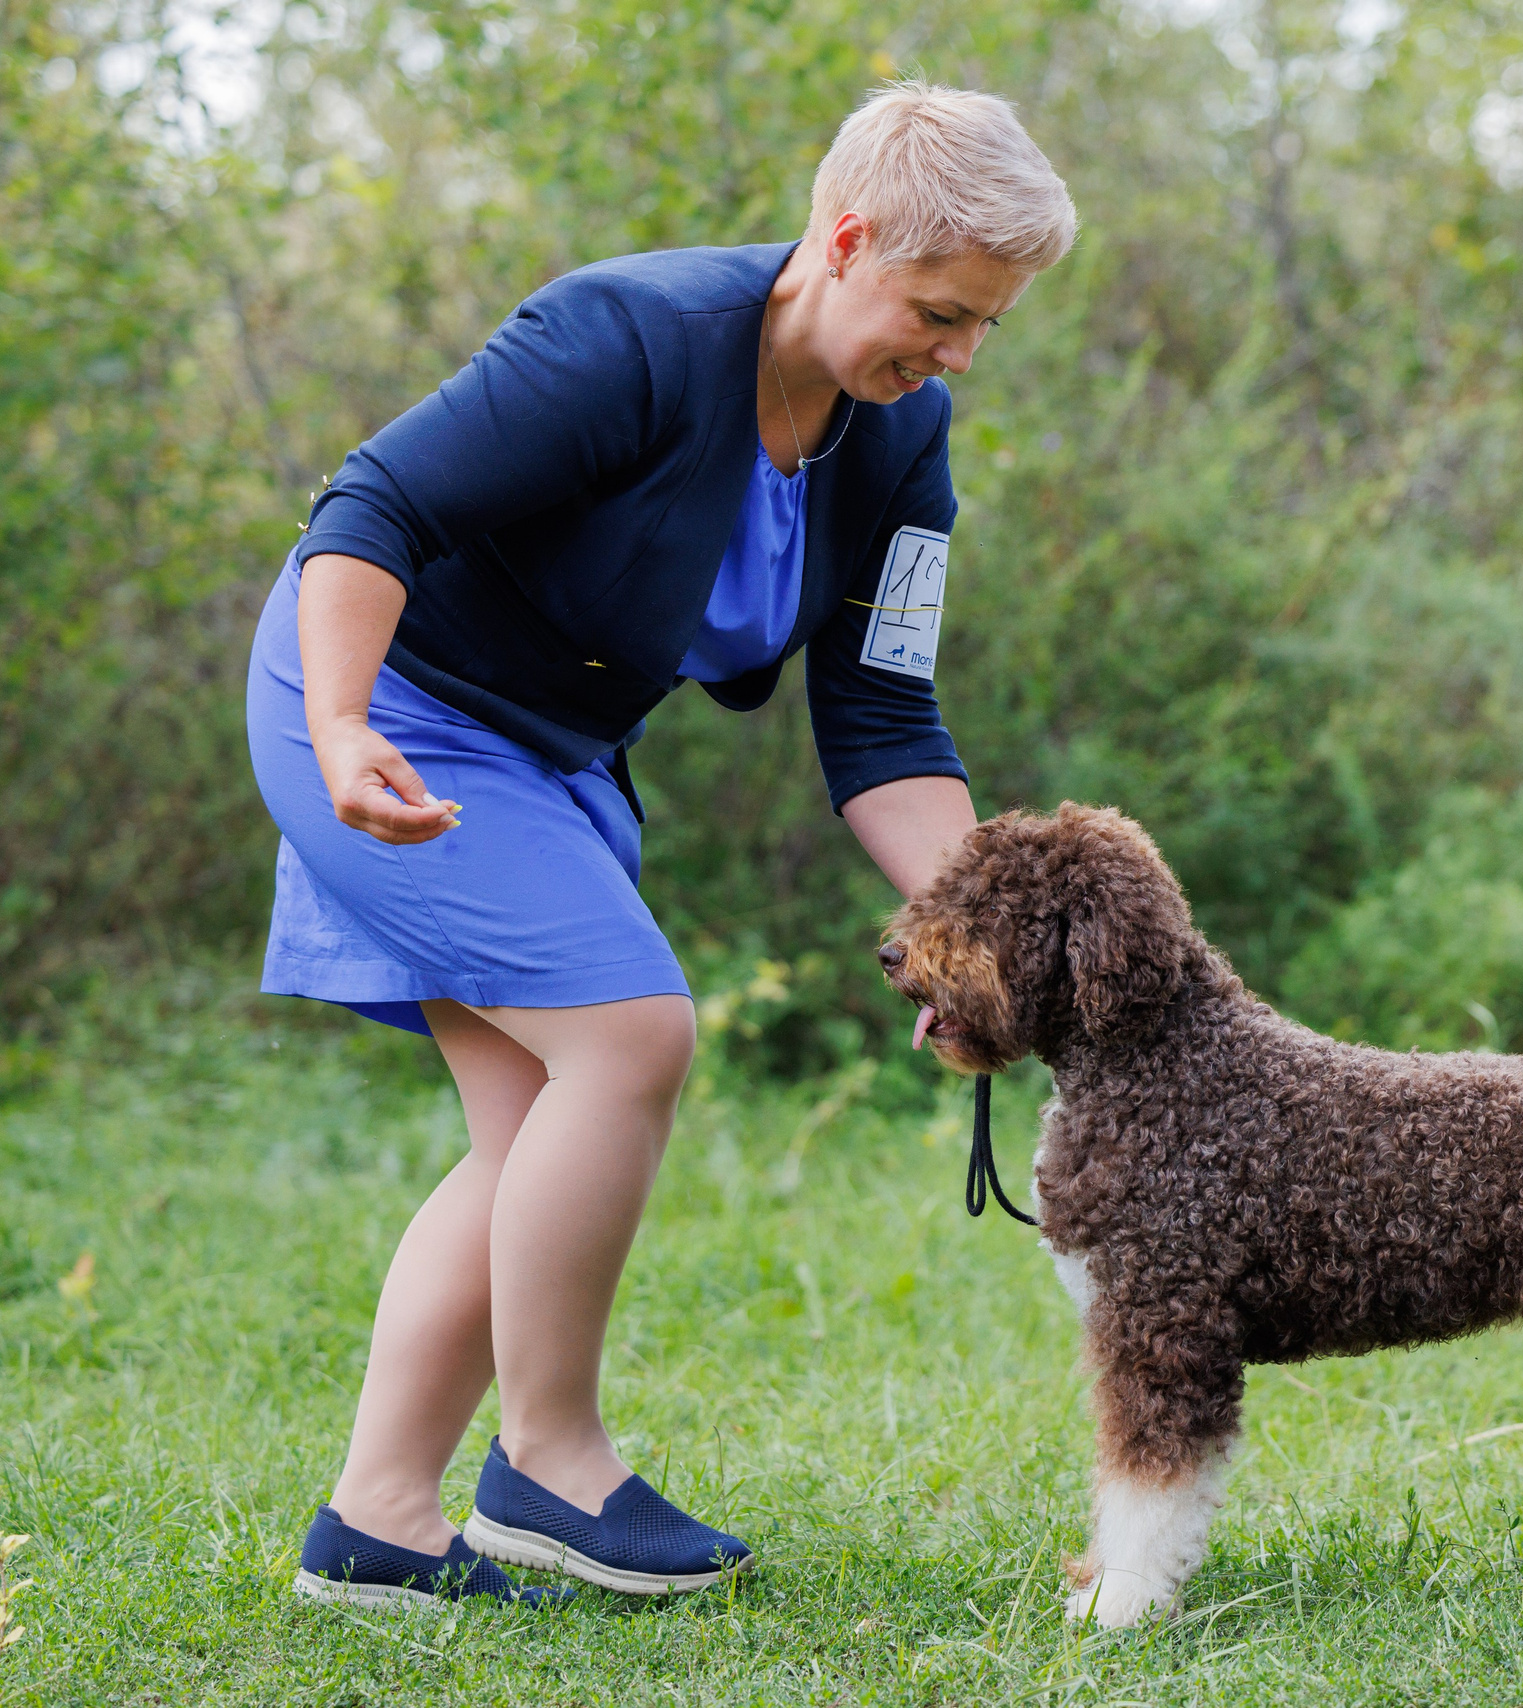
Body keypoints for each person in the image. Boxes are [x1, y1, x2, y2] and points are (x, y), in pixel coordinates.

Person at [248, 81, 1075, 1607]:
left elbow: (886, 719)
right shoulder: (622, 337)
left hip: (545, 746)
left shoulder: (902, 442)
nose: (956, 353)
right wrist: (346, 728)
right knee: (629, 1036)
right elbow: (368, 509)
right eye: (940, 310)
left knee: (531, 1131)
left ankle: (378, 1519)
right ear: (846, 238)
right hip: (383, 703)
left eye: (984, 329)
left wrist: (991, 923)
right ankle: (549, 1463)